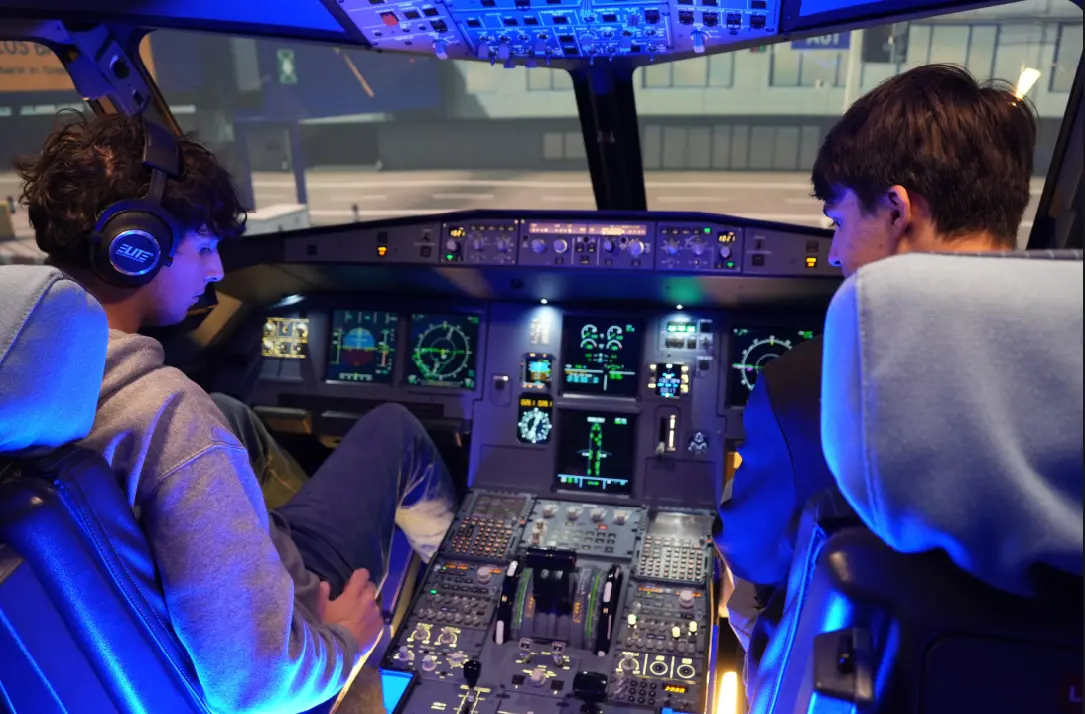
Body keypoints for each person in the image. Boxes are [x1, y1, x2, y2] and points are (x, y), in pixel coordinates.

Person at [15, 110, 458, 714]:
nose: (219, 270)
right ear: (135, 252)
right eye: (203, 248)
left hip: (112, 641)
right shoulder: (169, 416)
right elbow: (254, 683)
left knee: (233, 415)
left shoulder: (27, 380)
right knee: (395, 430)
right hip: (294, 647)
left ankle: (261, 530)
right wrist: (344, 639)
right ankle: (462, 580)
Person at [715, 64, 1037, 682]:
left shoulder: (812, 386)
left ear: (896, 210)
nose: (833, 253)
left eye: (838, 223)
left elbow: (752, 550)